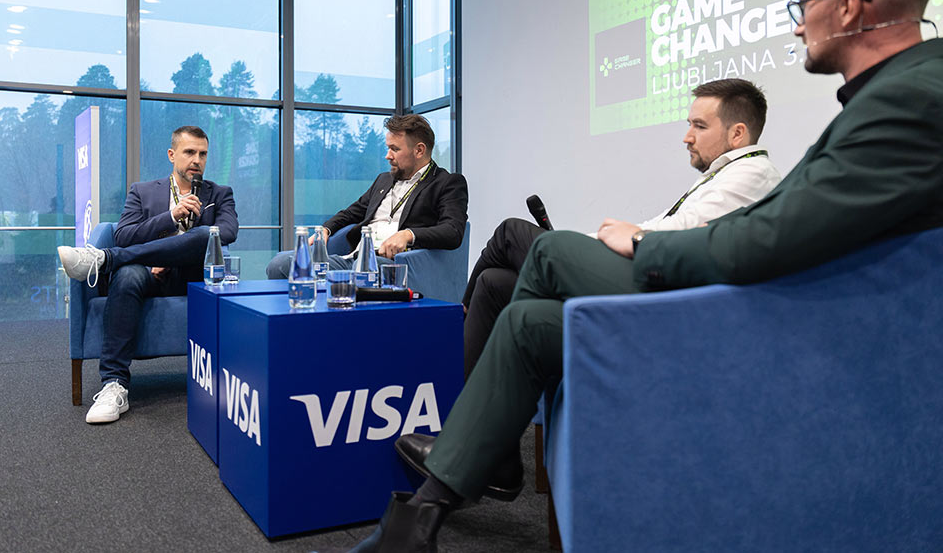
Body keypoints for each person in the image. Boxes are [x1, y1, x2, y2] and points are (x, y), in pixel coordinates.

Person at [352, 0, 943, 551]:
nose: (798, 23)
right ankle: (423, 518)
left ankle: (464, 477)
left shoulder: (911, 98)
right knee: (526, 322)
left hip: (754, 321)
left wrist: (645, 244)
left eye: (803, 5)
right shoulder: (895, 94)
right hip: (755, 303)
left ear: (849, 7)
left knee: (546, 249)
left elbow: (770, 238)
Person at [462, 78, 781, 381]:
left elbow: (682, 231)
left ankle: (456, 312)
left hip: (658, 294)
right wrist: (595, 241)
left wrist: (603, 241)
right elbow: (668, 226)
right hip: (646, 272)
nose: (687, 137)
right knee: (493, 283)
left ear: (737, 134)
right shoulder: (724, 174)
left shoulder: (753, 174)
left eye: (699, 126)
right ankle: (459, 402)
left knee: (511, 232)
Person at [57, 126, 238, 424]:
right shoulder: (142, 191)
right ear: (172, 155)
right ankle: (114, 384)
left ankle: (104, 260)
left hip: (191, 277)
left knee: (208, 233)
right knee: (127, 275)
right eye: (189, 152)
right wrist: (171, 217)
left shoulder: (219, 194)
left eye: (203, 154)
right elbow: (124, 235)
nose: (197, 160)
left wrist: (164, 255)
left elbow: (228, 232)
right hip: (147, 276)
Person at [265, 114, 468, 278]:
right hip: (354, 258)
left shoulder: (447, 183)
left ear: (419, 150)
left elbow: (453, 231)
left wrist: (408, 235)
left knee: (361, 272)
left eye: (395, 149)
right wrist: (326, 229)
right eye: (388, 148)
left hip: (390, 264)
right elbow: (351, 213)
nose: (388, 155)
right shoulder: (384, 180)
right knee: (279, 264)